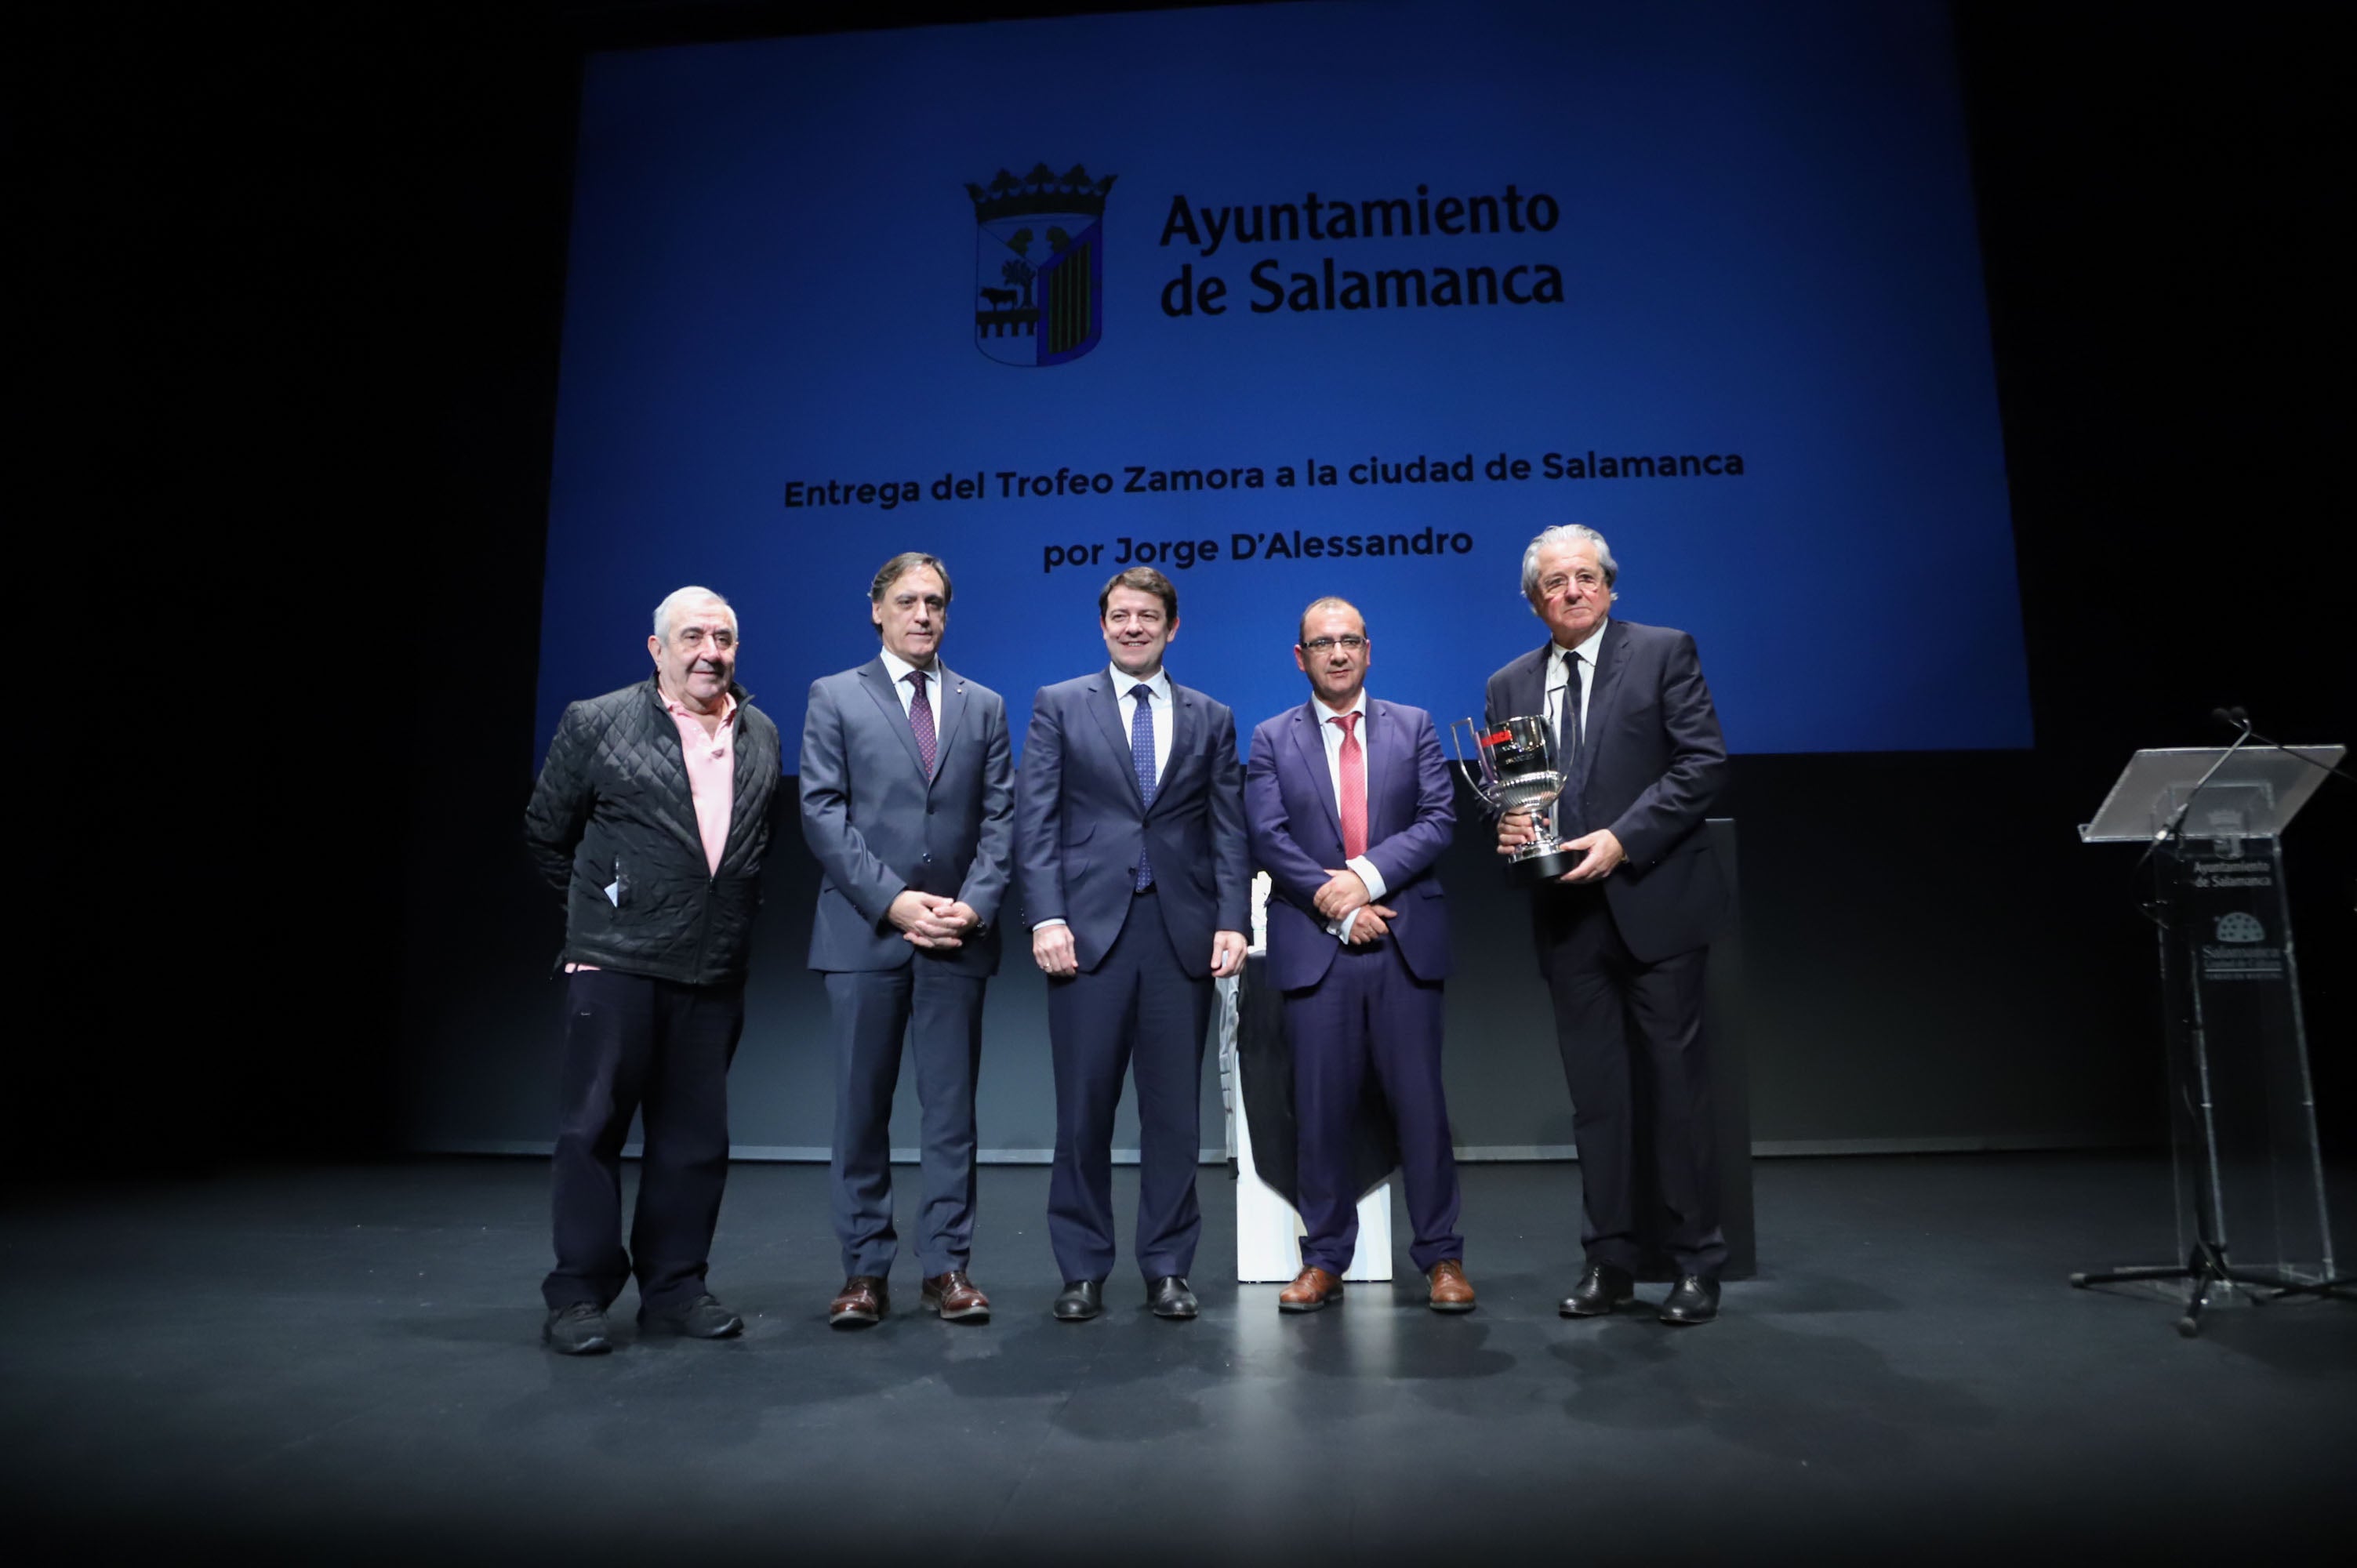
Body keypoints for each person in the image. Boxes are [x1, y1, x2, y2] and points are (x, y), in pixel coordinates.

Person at [523, 586, 782, 1355]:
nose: (711, 651)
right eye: (694, 636)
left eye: (724, 638)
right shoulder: (596, 720)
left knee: (694, 1140)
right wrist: (613, 905)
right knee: (591, 1129)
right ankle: (577, 1293)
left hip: (712, 969)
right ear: (657, 648)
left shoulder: (760, 730)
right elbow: (547, 835)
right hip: (617, 963)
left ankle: (674, 1288)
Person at [1487, 524, 1734, 1326]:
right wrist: (1515, 831)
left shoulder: (1664, 652)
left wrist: (1623, 838)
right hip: (1567, 918)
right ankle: (1611, 1259)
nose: (1572, 591)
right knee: (1597, 1101)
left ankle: (1696, 1262)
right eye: (1554, 581)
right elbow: (1522, 796)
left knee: (1675, 1092)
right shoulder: (1508, 684)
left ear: (1610, 586)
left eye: (1586, 577)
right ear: (1533, 599)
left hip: (1655, 902)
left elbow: (1702, 763)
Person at [1015, 566, 1251, 1322]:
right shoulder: (1059, 705)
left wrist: (1233, 919)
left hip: (1179, 932)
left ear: (1171, 627)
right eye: (1120, 616)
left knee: (1174, 1114)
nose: (1133, 627)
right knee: (1083, 1110)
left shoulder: (1211, 716)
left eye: (1147, 616)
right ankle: (1082, 1268)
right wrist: (1045, 917)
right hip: (1085, 934)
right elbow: (1036, 820)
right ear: (1103, 624)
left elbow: (1228, 828)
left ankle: (1168, 1266)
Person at [800, 553, 1014, 1328]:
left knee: (951, 1114)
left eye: (936, 602)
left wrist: (973, 903)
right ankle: (863, 1272)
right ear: (877, 610)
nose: (923, 614)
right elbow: (823, 813)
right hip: (865, 934)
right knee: (861, 1111)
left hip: (957, 938)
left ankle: (948, 1267)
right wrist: (895, 902)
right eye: (907, 601)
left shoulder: (982, 704)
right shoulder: (835, 695)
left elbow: (1002, 819)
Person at [1244, 598, 1471, 1314]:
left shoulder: (1415, 727)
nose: (1337, 654)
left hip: (1404, 940)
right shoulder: (1271, 739)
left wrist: (1363, 881)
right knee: (1319, 1110)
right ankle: (1324, 1258)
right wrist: (1341, 909)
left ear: (1369, 650)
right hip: (1319, 947)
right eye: (1322, 643)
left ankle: (1442, 1259)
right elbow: (1269, 838)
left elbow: (1438, 821)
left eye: (1349, 642)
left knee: (1421, 1110)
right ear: (1300, 656)